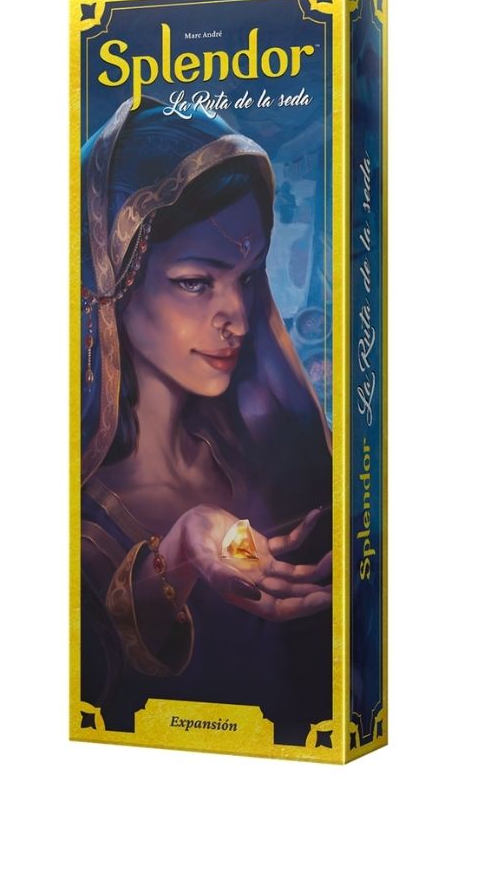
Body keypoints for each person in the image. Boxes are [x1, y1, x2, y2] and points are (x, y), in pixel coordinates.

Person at [78, 96, 333, 744]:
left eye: (247, 279)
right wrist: (181, 550)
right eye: (196, 281)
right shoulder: (78, 509)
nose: (238, 319)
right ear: (111, 279)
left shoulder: (262, 452)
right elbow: (99, 678)